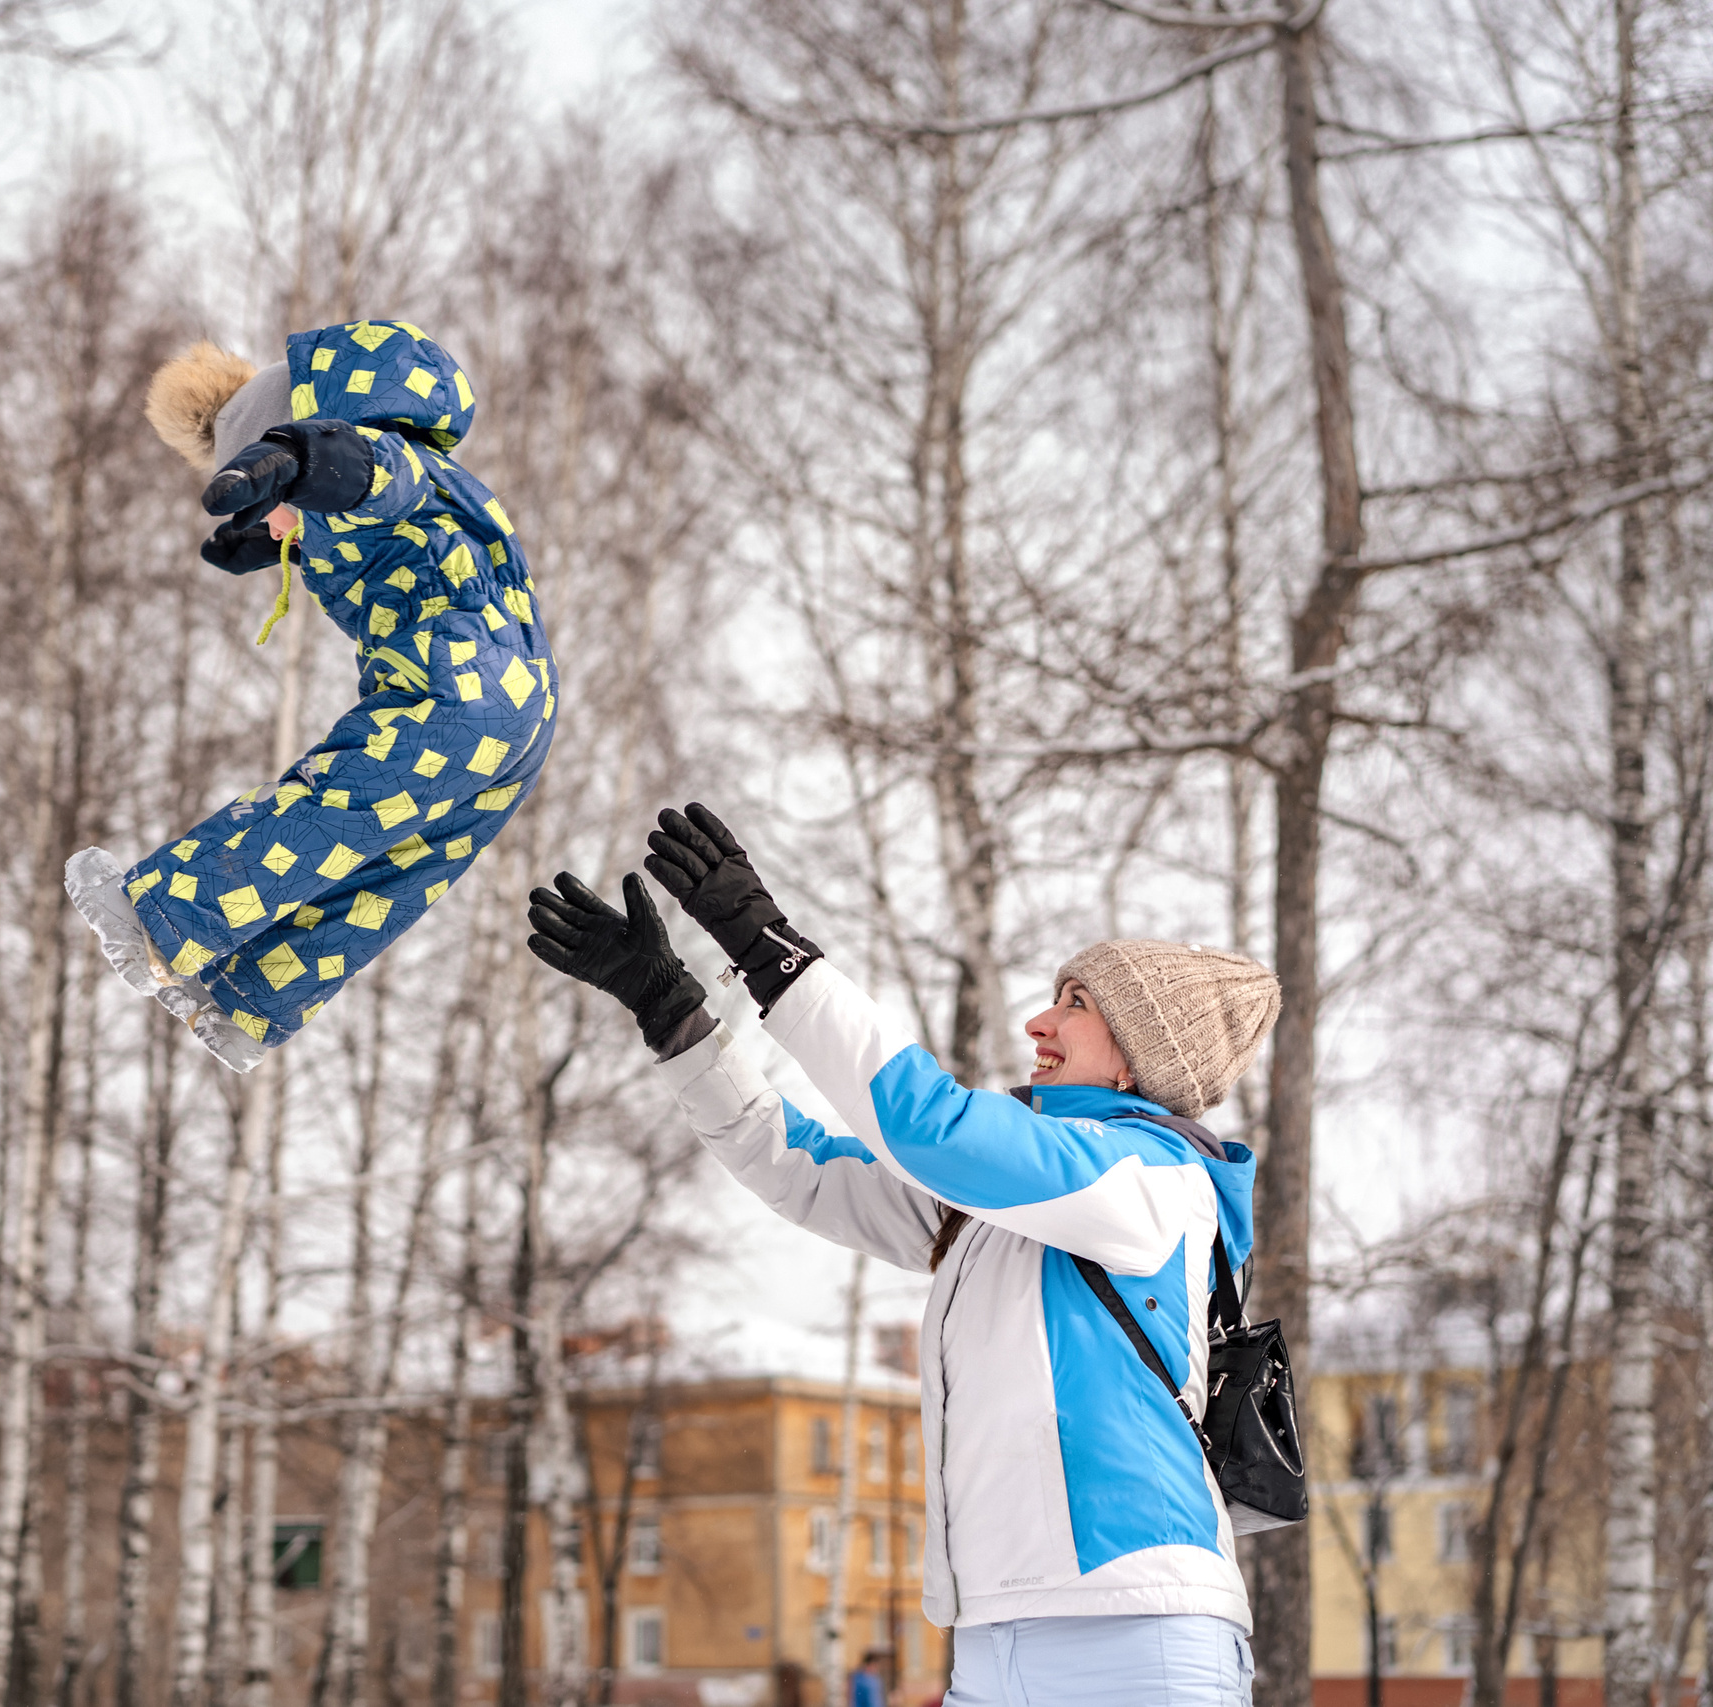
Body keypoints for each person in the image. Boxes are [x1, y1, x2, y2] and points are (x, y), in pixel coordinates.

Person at [526, 804, 1282, 1707]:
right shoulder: (1006, 1207)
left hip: (1137, 1631)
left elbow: (929, 1122)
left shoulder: (1153, 1179)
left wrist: (769, 947)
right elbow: (795, 1164)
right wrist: (673, 1010)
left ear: (1139, 1059)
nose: (1041, 1019)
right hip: (991, 1634)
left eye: (1079, 1004)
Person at [67, 320, 555, 1070]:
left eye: (269, 490)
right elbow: (366, 520)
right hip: (519, 712)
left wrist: (301, 458)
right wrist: (276, 535)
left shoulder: (382, 463)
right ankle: (250, 1000)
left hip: (452, 686)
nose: (271, 518)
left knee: (336, 803)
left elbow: (372, 472)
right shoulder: (378, 505)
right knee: (397, 868)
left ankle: (158, 918)